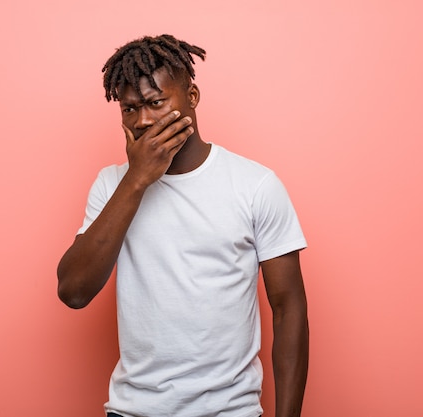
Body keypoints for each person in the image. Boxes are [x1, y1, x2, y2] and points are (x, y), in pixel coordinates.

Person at [57, 34, 309, 417]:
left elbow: (289, 308)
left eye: (156, 103)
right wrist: (137, 179)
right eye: (129, 109)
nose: (143, 120)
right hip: (133, 410)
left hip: (231, 411)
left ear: (191, 96)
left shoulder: (255, 185)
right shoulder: (112, 185)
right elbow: (74, 291)